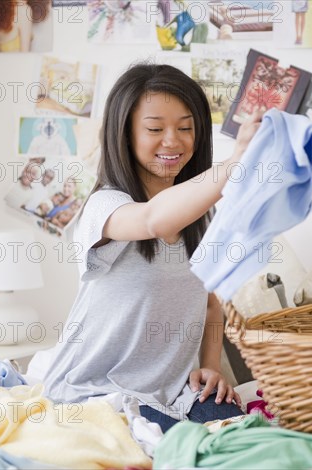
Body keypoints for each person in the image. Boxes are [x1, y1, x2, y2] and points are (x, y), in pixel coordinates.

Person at [42, 64, 262, 432]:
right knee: (186, 449)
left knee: (248, 439)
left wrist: (210, 366)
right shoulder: (105, 207)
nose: (173, 141)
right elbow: (155, 221)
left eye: (186, 127)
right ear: (125, 134)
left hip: (175, 393)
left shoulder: (202, 215)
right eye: (155, 129)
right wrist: (236, 162)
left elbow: (210, 302)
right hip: (95, 393)